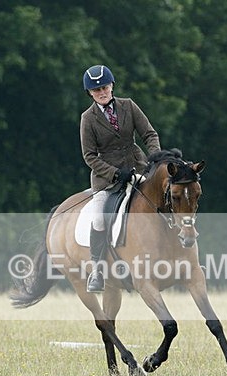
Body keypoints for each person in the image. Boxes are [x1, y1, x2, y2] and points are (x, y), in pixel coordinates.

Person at [80, 64, 161, 292]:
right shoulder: (88, 118)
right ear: (90, 93)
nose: (102, 92)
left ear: (112, 85)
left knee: (162, 201)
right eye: (96, 91)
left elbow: (149, 134)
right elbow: (89, 156)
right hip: (107, 181)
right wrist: (115, 173)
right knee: (99, 219)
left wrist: (154, 158)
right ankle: (97, 271)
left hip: (138, 169)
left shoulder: (128, 106)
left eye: (104, 87)